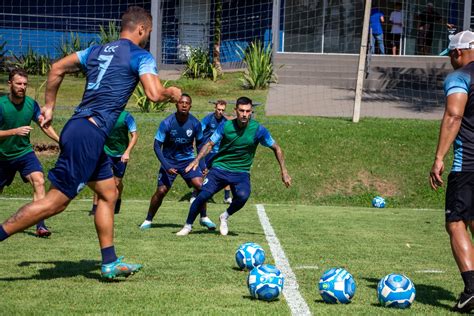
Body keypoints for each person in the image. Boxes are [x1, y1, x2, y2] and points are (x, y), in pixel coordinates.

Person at [0, 6, 181, 280]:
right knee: (55, 203)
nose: (147, 38)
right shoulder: (141, 56)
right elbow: (154, 94)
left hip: (83, 130)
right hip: (88, 133)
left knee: (108, 193)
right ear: (142, 29)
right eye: (149, 32)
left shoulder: (96, 51)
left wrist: (49, 106)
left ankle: (109, 262)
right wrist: (173, 92)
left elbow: (57, 67)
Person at [176, 96, 292, 236]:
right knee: (202, 195)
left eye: (248, 111)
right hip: (220, 168)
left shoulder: (258, 130)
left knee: (243, 196)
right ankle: (187, 226)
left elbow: (277, 148)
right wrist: (196, 160)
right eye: (241, 110)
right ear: (235, 110)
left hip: (241, 172)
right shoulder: (226, 126)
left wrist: (284, 171)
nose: (244, 114)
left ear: (251, 112)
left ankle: (224, 216)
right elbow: (210, 144)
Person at [430, 30, 474, 313]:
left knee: (456, 222)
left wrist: (438, 157)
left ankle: (472, 290)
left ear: (458, 53)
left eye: (450, 56)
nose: (450, 61)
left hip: (468, 164)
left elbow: (454, 115)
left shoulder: (459, 77)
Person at [139, 94, 216, 231]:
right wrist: (166, 165)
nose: (184, 105)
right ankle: (148, 219)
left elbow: (200, 145)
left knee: (200, 186)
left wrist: (202, 165)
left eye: (187, 103)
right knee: (161, 191)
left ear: (190, 106)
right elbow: (157, 146)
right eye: (181, 102)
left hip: (188, 161)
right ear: (177, 105)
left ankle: (203, 217)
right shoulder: (167, 123)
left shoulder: (195, 123)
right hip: (169, 161)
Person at [0, 68, 60, 238]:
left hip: (24, 153)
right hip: (2, 156)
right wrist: (14, 131)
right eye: (18, 83)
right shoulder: (1, 105)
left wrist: (61, 141)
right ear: (10, 84)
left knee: (39, 180)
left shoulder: (31, 104)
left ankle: (40, 225)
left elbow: (44, 125)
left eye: (25, 84)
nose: (22, 87)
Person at [90, 110, 138, 215]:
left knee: (117, 182)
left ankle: (118, 202)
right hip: (106, 152)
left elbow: (134, 136)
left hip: (121, 154)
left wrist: (127, 152)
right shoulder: (103, 115)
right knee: (99, 179)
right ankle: (95, 208)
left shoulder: (126, 116)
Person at [190, 100, 232, 204]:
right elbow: (198, 130)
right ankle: (195, 194)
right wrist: (193, 142)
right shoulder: (208, 119)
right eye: (218, 109)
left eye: (222, 110)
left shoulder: (225, 122)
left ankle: (227, 197)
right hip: (206, 151)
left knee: (225, 172)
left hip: (218, 152)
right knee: (202, 173)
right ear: (215, 108)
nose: (220, 112)